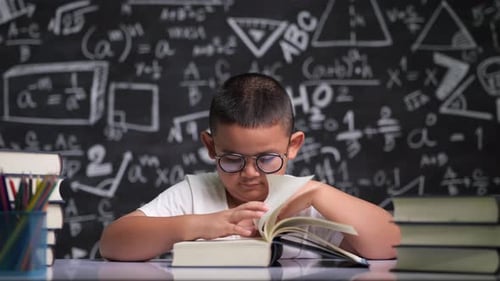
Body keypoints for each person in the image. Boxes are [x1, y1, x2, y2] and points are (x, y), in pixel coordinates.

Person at [99, 73, 400, 261]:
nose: (250, 174)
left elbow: (393, 244)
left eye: (267, 159)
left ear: (293, 146)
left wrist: (318, 193)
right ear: (210, 147)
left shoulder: (307, 202)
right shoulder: (195, 194)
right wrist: (201, 225)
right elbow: (112, 244)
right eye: (232, 159)